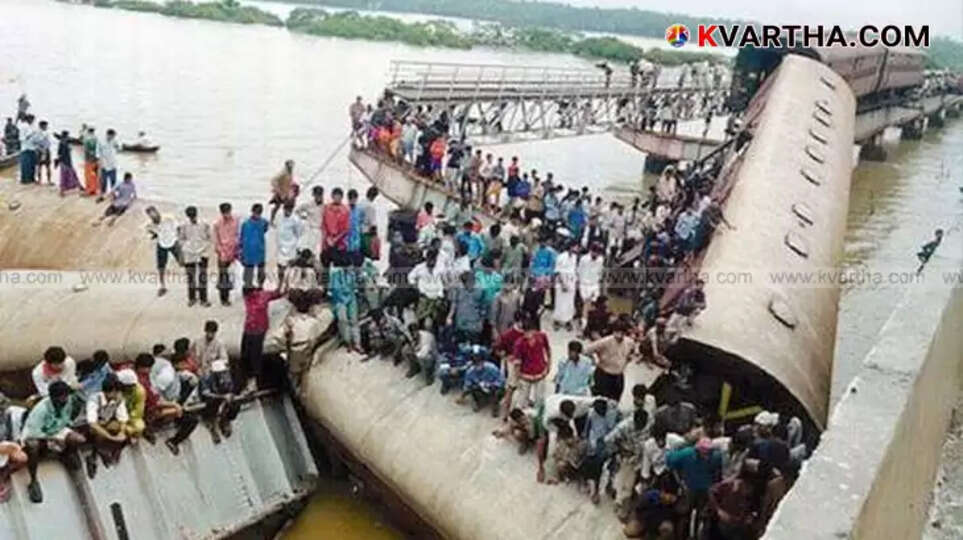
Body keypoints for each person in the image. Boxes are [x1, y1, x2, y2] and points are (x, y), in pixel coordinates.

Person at [21, 381, 86, 503]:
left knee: (79, 439)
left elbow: (66, 420)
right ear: (53, 397)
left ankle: (66, 455)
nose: (65, 399)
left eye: (66, 396)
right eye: (62, 396)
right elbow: (33, 433)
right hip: (39, 434)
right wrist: (53, 439)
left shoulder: (69, 402)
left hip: (56, 430)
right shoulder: (41, 409)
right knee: (32, 445)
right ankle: (33, 480)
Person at [133, 354, 198, 454]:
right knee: (183, 414)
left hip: (150, 405)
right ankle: (157, 429)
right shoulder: (144, 382)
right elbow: (155, 401)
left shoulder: (145, 377)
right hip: (148, 409)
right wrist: (174, 405)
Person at [667, 438, 724, 529]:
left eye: (708, 452)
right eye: (704, 452)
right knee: (684, 514)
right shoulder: (686, 454)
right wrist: (680, 481)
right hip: (688, 488)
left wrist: (714, 486)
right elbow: (670, 462)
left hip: (706, 490)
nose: (706, 455)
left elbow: (717, 472)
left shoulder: (716, 457)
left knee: (705, 515)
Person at [606, 408, 651, 518]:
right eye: (640, 424)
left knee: (634, 483)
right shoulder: (624, 426)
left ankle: (623, 501)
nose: (642, 426)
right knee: (624, 483)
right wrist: (620, 449)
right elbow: (608, 439)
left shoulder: (649, 423)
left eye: (644, 424)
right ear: (634, 420)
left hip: (642, 456)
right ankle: (621, 505)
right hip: (627, 457)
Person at [240, 283, 285, 391]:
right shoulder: (248, 298)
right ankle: (247, 378)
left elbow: (277, 293)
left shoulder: (263, 295)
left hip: (259, 329)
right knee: (245, 353)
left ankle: (254, 380)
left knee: (255, 354)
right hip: (248, 328)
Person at [83, 373, 128, 478]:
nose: (118, 394)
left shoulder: (118, 399)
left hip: (105, 423)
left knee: (124, 430)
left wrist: (121, 433)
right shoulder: (94, 399)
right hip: (89, 427)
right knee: (99, 434)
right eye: (117, 392)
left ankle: (113, 450)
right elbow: (92, 423)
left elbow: (123, 419)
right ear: (110, 392)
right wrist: (111, 437)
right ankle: (97, 453)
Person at [585, 322, 637, 402]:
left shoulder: (629, 342)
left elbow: (634, 351)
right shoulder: (605, 341)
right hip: (604, 374)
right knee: (601, 400)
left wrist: (628, 359)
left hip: (618, 375)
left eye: (622, 333)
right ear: (614, 332)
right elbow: (587, 350)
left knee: (615, 401)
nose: (619, 335)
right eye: (617, 332)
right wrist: (593, 361)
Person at [509, 317, 551, 410]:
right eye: (526, 332)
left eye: (530, 332)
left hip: (540, 372)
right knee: (521, 401)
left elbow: (548, 351)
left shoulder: (542, 336)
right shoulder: (519, 343)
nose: (528, 335)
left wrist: (548, 366)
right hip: (525, 375)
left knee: (539, 400)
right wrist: (518, 377)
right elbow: (517, 363)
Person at [199, 360, 241, 444]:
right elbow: (206, 393)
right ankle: (212, 424)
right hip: (209, 401)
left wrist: (229, 395)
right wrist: (221, 396)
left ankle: (226, 419)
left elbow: (230, 388)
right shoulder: (206, 378)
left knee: (235, 404)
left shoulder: (226, 377)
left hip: (223, 398)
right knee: (213, 403)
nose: (223, 374)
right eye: (220, 373)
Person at [178, 205, 212, 306]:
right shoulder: (183, 225)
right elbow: (181, 239)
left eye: (193, 215)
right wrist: (186, 247)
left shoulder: (204, 224)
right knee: (191, 277)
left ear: (196, 214)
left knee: (202, 277)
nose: (192, 218)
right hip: (189, 253)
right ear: (187, 216)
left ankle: (203, 299)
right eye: (190, 216)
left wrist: (205, 247)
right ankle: (192, 298)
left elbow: (209, 237)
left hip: (202, 253)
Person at [457, 351, 506, 416]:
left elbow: (501, 380)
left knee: (498, 391)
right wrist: (462, 396)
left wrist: (493, 385)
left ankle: (495, 407)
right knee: (472, 388)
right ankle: (477, 402)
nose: (478, 365)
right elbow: (467, 385)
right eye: (476, 363)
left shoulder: (492, 368)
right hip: (480, 388)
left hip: (493, 387)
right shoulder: (470, 372)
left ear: (483, 362)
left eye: (479, 362)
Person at [329, 253, 361, 352]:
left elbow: (354, 287)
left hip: (351, 298)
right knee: (343, 320)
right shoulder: (335, 275)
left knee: (354, 320)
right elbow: (335, 290)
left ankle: (357, 343)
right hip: (340, 300)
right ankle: (347, 341)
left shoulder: (351, 274)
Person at [145, 205, 180, 297]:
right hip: (161, 245)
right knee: (161, 267)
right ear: (149, 216)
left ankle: (193, 281)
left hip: (173, 243)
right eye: (151, 216)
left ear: (157, 212)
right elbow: (150, 234)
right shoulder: (149, 225)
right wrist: (153, 235)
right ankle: (162, 286)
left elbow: (178, 228)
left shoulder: (168, 218)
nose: (154, 217)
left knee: (182, 262)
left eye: (154, 214)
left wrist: (180, 240)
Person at [409, 249, 447, 331]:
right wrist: (416, 287)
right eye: (431, 260)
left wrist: (441, 293)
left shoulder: (440, 268)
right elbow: (410, 277)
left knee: (436, 322)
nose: (432, 262)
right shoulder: (419, 268)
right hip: (424, 298)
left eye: (434, 260)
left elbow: (444, 281)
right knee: (421, 320)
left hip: (437, 298)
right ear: (427, 259)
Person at [447, 271, 487, 344]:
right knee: (461, 345)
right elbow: (454, 305)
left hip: (474, 324)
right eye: (467, 282)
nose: (470, 284)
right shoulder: (458, 290)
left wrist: (481, 322)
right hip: (461, 323)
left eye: (472, 281)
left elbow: (483, 309)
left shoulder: (480, 291)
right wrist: (449, 317)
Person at [213, 202, 239, 306]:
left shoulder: (236, 221)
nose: (226, 215)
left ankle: (234, 294)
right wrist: (221, 251)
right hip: (223, 253)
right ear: (221, 212)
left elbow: (238, 235)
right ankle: (224, 299)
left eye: (228, 212)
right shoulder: (217, 224)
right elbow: (216, 240)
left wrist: (237, 250)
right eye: (224, 213)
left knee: (234, 275)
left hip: (234, 251)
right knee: (223, 276)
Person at [240, 203, 269, 288]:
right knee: (248, 271)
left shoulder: (264, 222)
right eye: (256, 213)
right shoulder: (245, 223)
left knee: (261, 270)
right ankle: (248, 285)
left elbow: (265, 229)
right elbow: (241, 238)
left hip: (260, 250)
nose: (257, 215)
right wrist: (241, 251)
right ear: (252, 211)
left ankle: (260, 285)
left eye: (259, 213)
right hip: (248, 251)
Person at [276, 200, 304, 283]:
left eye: (289, 209)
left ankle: (288, 285)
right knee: (280, 267)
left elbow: (299, 234)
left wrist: (297, 246)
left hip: (291, 246)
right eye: (286, 209)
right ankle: (280, 284)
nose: (287, 211)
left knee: (290, 269)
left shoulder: (296, 219)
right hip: (281, 245)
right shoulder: (279, 215)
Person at [321, 187, 351, 266]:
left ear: (341, 197)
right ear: (332, 196)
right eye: (335, 196)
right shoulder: (327, 208)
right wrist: (327, 238)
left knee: (338, 266)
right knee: (325, 264)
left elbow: (346, 229)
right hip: (327, 242)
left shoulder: (345, 210)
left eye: (339, 196)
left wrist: (335, 239)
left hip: (340, 243)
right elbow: (324, 225)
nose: (337, 198)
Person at [552, 242, 578, 331]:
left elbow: (574, 270)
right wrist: (563, 284)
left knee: (569, 302)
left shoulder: (575, 257)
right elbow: (557, 271)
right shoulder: (561, 257)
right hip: (561, 281)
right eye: (575, 247)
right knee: (559, 302)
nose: (577, 249)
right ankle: (557, 321)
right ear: (570, 247)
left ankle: (568, 321)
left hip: (571, 282)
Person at [54, 130, 82, 196]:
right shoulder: (64, 143)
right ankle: (62, 191)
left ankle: (78, 187)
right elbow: (61, 154)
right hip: (66, 162)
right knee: (67, 176)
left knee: (67, 176)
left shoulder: (62, 142)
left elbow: (59, 154)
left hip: (65, 162)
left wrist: (57, 161)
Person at [269, 159, 297, 224]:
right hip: (280, 193)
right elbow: (273, 180)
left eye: (292, 165)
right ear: (287, 166)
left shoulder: (290, 173)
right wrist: (278, 190)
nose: (291, 167)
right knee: (277, 207)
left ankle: (287, 218)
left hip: (287, 192)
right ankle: (272, 221)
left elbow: (289, 182)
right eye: (290, 165)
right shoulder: (283, 172)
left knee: (289, 204)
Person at [96, 129, 120, 197]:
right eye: (112, 136)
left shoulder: (114, 141)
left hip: (113, 163)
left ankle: (113, 193)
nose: (113, 137)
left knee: (113, 180)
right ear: (108, 135)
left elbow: (119, 149)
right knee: (103, 181)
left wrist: (118, 146)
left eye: (114, 136)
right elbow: (97, 152)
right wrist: (99, 161)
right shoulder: (101, 141)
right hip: (104, 164)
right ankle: (103, 193)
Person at [17, 115, 37, 184]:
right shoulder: (23, 126)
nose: (32, 121)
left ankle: (32, 179)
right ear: (28, 119)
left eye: (33, 119)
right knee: (26, 165)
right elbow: (21, 138)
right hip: (26, 149)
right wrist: (30, 135)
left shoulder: (31, 126)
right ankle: (25, 180)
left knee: (32, 165)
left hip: (32, 148)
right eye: (31, 119)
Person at [33, 120, 52, 184]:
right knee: (41, 166)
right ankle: (43, 180)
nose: (46, 127)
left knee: (45, 166)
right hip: (41, 151)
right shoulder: (37, 133)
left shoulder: (46, 132)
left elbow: (48, 142)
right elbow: (35, 142)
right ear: (41, 126)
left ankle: (44, 180)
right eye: (45, 125)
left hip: (45, 150)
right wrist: (41, 149)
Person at [82, 126, 99, 196]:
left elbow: (86, 150)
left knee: (88, 175)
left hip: (88, 159)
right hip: (95, 159)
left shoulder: (86, 139)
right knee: (95, 175)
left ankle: (88, 190)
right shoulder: (96, 138)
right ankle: (95, 189)